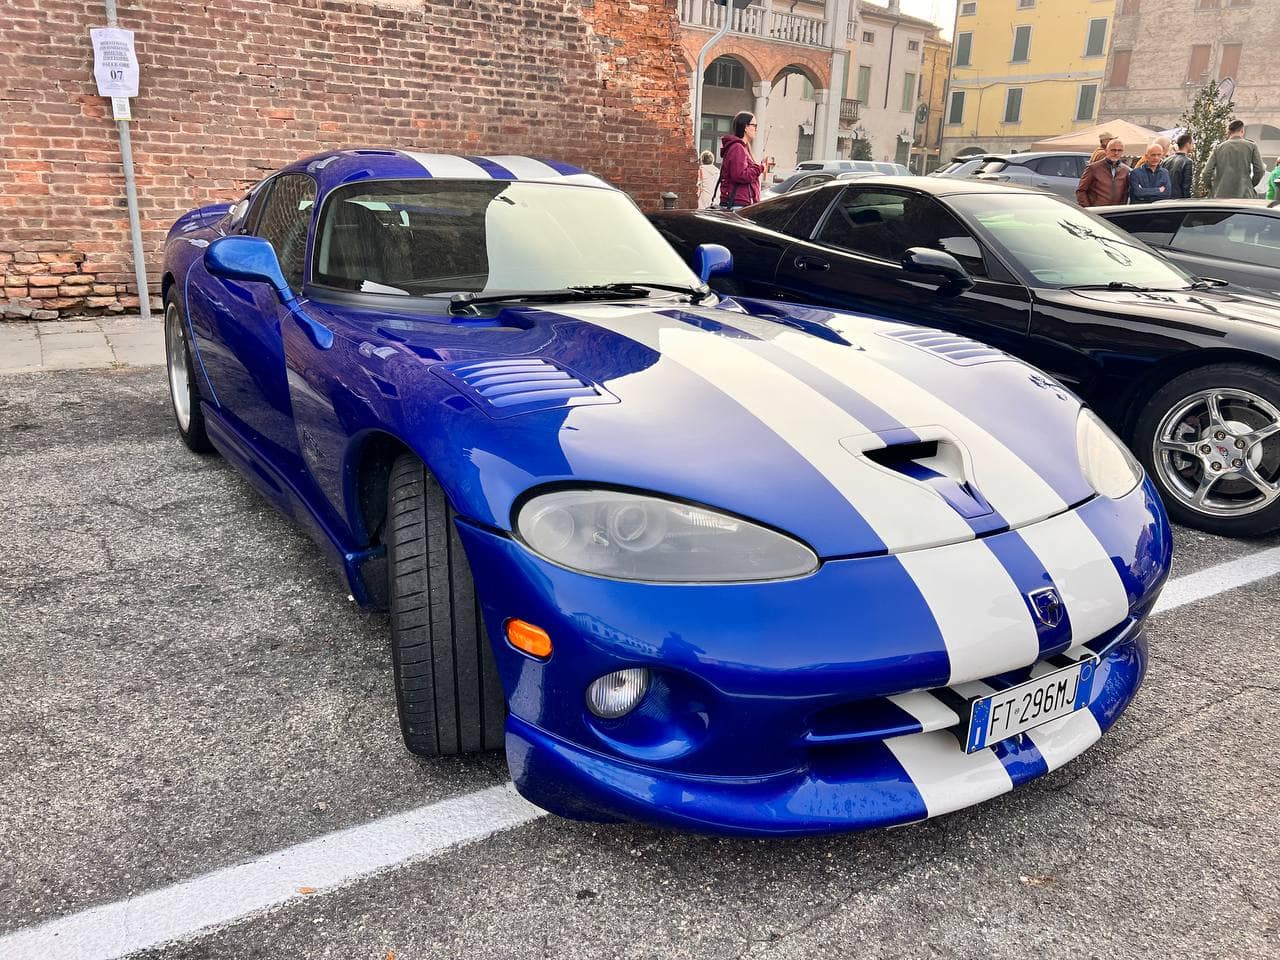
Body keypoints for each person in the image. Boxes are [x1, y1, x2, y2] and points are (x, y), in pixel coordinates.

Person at [718, 111, 773, 210]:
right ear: (745, 127)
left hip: (739, 201)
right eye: (754, 125)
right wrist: (760, 168)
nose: (756, 129)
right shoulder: (737, 148)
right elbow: (740, 175)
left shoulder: (742, 147)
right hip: (736, 203)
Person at [1203, 119, 1267, 199]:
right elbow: (1260, 170)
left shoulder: (1218, 148)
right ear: (1242, 131)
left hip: (1220, 194)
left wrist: (1212, 188)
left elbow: (1206, 172)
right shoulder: (1251, 146)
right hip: (1244, 194)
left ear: (1228, 132)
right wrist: (1251, 184)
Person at [1077, 138, 1131, 207]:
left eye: (1119, 150)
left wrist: (1122, 209)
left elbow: (1125, 193)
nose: (1116, 153)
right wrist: (1088, 208)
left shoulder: (1125, 170)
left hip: (1116, 212)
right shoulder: (1093, 168)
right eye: (1113, 150)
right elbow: (1081, 191)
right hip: (1097, 211)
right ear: (1106, 151)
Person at [1162, 132, 1194, 199]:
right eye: (1192, 144)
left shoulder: (1166, 160)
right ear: (1187, 144)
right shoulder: (1188, 162)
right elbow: (1186, 186)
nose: (1193, 146)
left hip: (1164, 198)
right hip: (1178, 200)